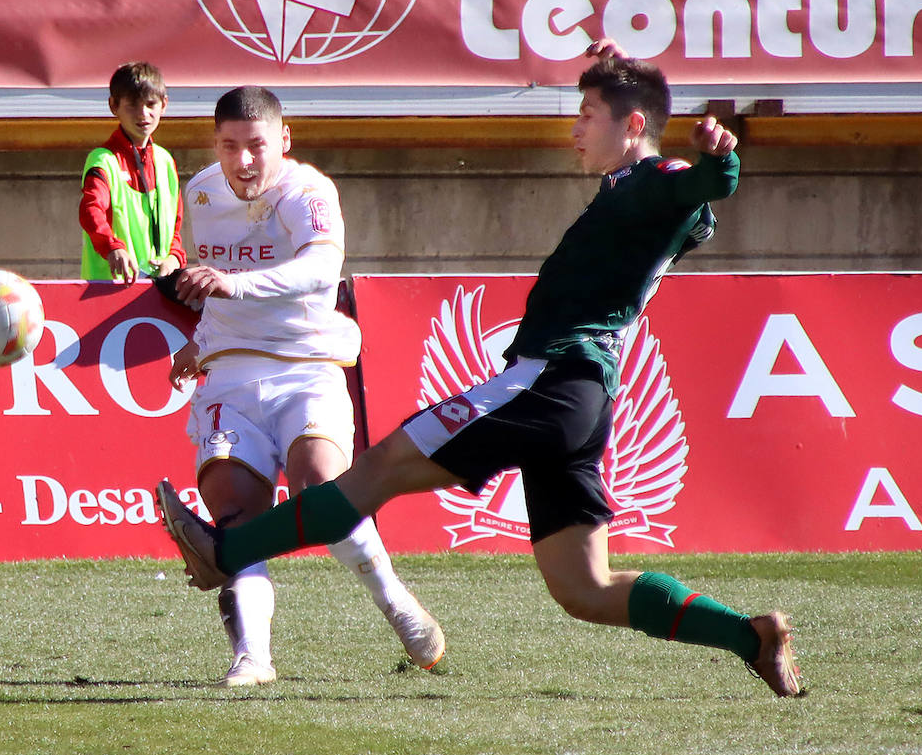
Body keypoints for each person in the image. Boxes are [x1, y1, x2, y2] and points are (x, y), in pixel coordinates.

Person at [157, 43, 807, 698]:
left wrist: (720, 158)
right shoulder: (633, 193)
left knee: (377, 469)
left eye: (588, 113)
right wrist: (623, 74)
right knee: (584, 589)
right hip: (582, 401)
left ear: (631, 125)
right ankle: (749, 637)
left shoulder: (652, 180)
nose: (576, 127)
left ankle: (225, 553)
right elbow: (691, 209)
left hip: (546, 381)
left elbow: (702, 183)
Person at [164, 85, 446, 687]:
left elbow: (322, 266)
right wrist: (203, 341)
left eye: (256, 146)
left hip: (306, 367)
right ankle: (253, 658)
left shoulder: (307, 191)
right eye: (228, 146)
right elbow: (217, 296)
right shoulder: (201, 191)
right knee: (237, 516)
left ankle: (392, 597)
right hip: (231, 378)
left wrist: (235, 285)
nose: (242, 161)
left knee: (321, 488)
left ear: (283, 141)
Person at [79, 62, 185, 284]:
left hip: (157, 290)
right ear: (113, 106)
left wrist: (174, 258)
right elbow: (91, 210)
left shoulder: (165, 161)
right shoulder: (103, 159)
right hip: (108, 289)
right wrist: (112, 248)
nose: (143, 114)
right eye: (132, 106)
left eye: (150, 104)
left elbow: (175, 226)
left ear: (164, 105)